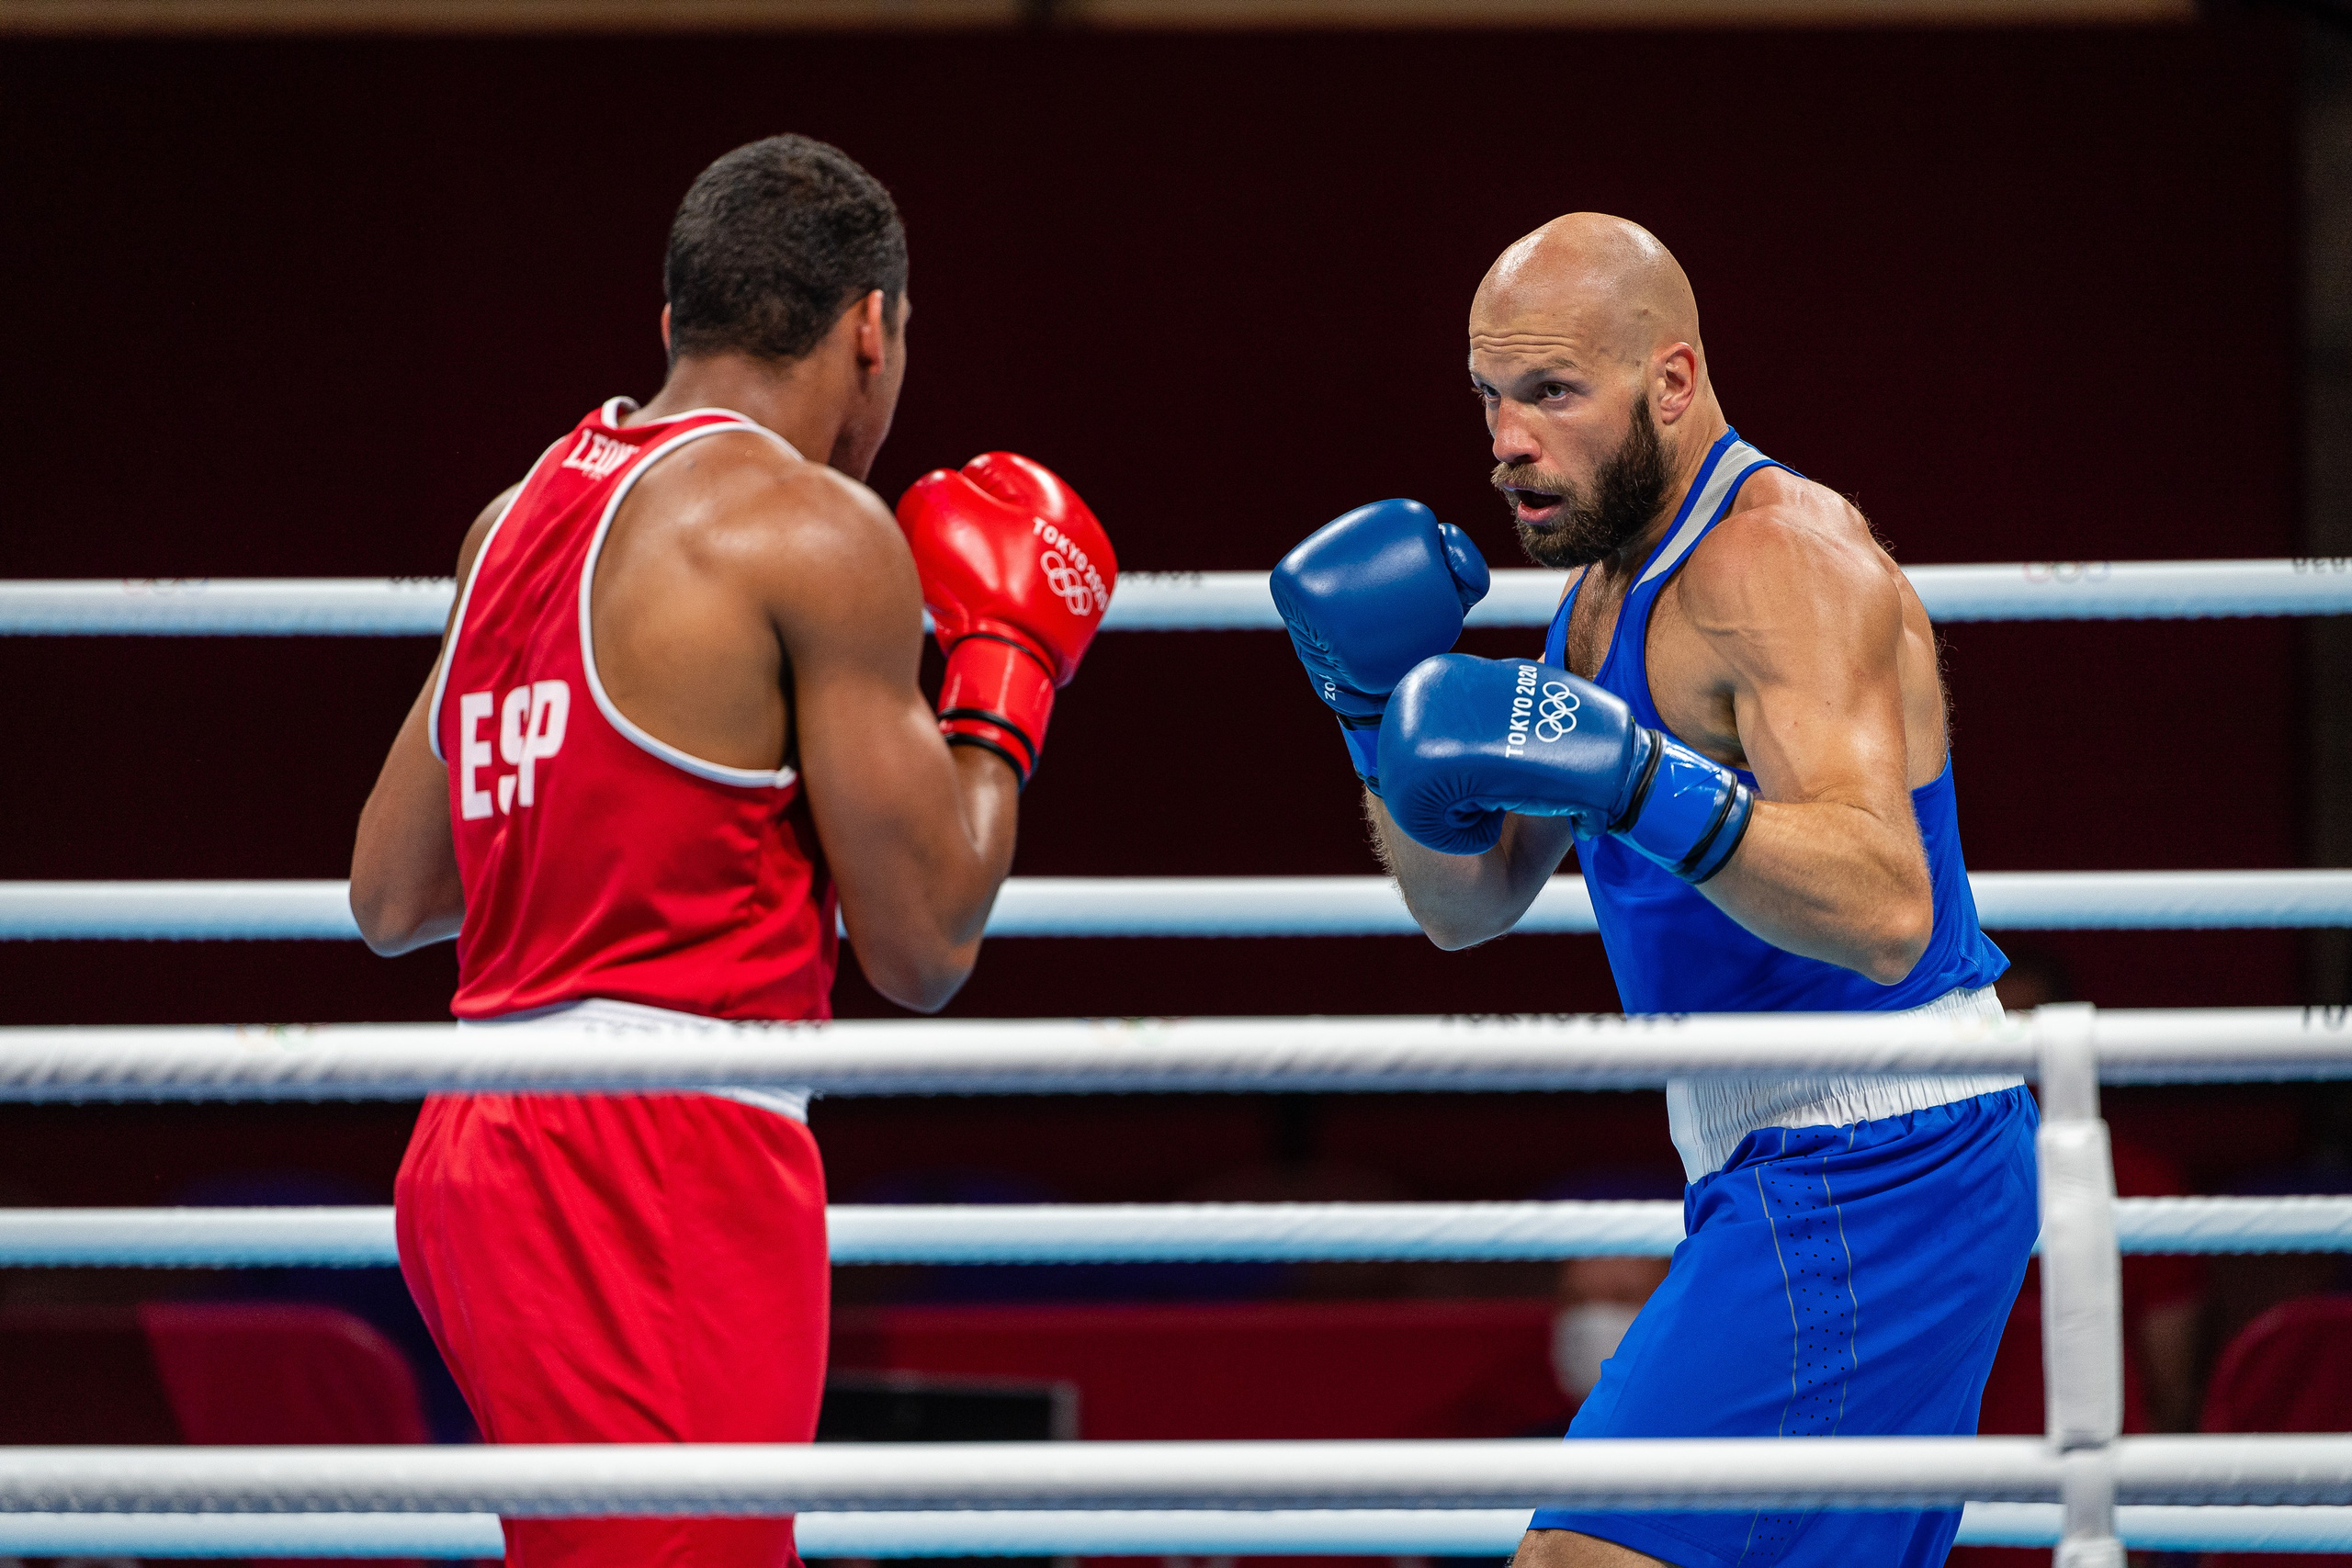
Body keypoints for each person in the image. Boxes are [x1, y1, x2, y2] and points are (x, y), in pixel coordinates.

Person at [348, 134, 1114, 1568]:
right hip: (655, 1161)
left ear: (671, 327)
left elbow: (393, 895)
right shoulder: (812, 530)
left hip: (472, 1150)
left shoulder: (512, 521)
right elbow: (926, 942)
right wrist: (1004, 679)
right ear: (870, 328)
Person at [1271, 213, 2033, 1568]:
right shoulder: (1597, 598)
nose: (1508, 439)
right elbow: (1468, 907)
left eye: (1553, 393)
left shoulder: (1776, 564)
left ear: (1670, 382)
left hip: (1877, 1156)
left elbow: (1884, 905)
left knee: (1579, 1557)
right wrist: (1369, 716)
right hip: (1780, 1156)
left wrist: (1643, 782)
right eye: (1490, 397)